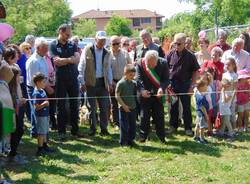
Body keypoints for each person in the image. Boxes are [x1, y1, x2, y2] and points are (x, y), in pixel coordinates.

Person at [49, 24, 81, 140]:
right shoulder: (53, 45)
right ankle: (61, 131)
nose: (69, 36)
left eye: (70, 34)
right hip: (60, 79)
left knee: (74, 105)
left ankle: (75, 130)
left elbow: (77, 59)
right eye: (67, 34)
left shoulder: (72, 44)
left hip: (73, 78)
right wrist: (70, 60)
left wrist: (65, 60)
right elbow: (56, 62)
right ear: (61, 32)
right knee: (61, 106)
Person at [78, 30, 112, 136]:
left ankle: (104, 129)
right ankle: (93, 129)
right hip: (90, 83)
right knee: (92, 108)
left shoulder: (107, 52)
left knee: (104, 107)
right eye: (100, 40)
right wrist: (82, 82)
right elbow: (81, 66)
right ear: (95, 39)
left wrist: (110, 83)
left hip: (103, 83)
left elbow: (109, 69)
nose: (102, 42)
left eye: (104, 40)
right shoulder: (87, 50)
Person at [166, 33, 200, 136]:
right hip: (172, 85)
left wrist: (192, 86)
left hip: (185, 84)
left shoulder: (190, 56)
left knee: (186, 107)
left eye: (179, 43)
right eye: (175, 43)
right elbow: (166, 69)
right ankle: (173, 126)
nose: (176, 45)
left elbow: (195, 72)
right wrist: (167, 83)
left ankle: (188, 128)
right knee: (173, 107)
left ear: (185, 43)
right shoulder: (170, 54)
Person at [136, 50, 169, 143]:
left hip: (158, 94)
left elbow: (166, 79)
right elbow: (138, 79)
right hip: (144, 94)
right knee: (144, 116)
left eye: (153, 64)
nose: (151, 66)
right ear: (145, 60)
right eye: (149, 64)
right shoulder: (139, 63)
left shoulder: (163, 63)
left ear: (157, 60)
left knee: (159, 115)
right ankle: (143, 136)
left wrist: (162, 88)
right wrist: (142, 91)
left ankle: (161, 137)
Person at [26, 37, 50, 138]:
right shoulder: (34, 61)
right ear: (38, 48)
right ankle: (36, 132)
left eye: (47, 48)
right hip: (34, 89)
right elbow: (34, 79)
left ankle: (39, 132)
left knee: (40, 111)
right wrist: (46, 87)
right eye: (45, 48)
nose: (47, 50)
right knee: (36, 111)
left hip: (42, 87)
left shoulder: (42, 57)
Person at [110, 35, 131, 127]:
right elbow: (106, 70)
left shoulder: (125, 53)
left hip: (124, 81)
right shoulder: (107, 54)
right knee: (114, 103)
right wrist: (112, 82)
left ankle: (126, 121)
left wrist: (128, 79)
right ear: (110, 44)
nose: (116, 45)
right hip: (113, 82)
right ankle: (116, 123)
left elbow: (130, 66)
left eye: (118, 43)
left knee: (125, 102)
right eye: (114, 44)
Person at [32, 72, 54, 156]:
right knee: (41, 133)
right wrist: (44, 104)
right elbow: (36, 107)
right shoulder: (36, 93)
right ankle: (40, 149)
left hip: (45, 115)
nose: (45, 83)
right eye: (43, 82)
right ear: (38, 82)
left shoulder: (42, 90)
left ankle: (45, 146)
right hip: (40, 116)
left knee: (44, 131)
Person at [116, 64, 137, 147]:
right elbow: (117, 95)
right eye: (130, 75)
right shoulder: (120, 83)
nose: (132, 77)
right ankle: (123, 142)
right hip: (123, 108)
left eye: (133, 75)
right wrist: (124, 106)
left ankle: (130, 140)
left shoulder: (133, 83)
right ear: (125, 73)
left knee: (133, 125)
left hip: (133, 107)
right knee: (124, 126)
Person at [222, 57, 238, 130]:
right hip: (225, 97)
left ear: (233, 66)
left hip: (232, 98)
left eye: (229, 65)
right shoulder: (224, 74)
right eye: (226, 65)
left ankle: (233, 129)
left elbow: (235, 89)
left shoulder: (235, 75)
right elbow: (223, 86)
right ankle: (226, 128)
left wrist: (232, 100)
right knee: (225, 113)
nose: (227, 66)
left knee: (232, 114)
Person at [193, 78, 209, 144]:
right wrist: (206, 115)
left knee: (197, 125)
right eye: (205, 86)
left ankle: (196, 136)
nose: (206, 87)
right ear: (201, 87)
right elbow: (203, 108)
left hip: (198, 113)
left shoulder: (197, 93)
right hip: (202, 114)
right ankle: (202, 138)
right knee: (202, 127)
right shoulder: (201, 97)